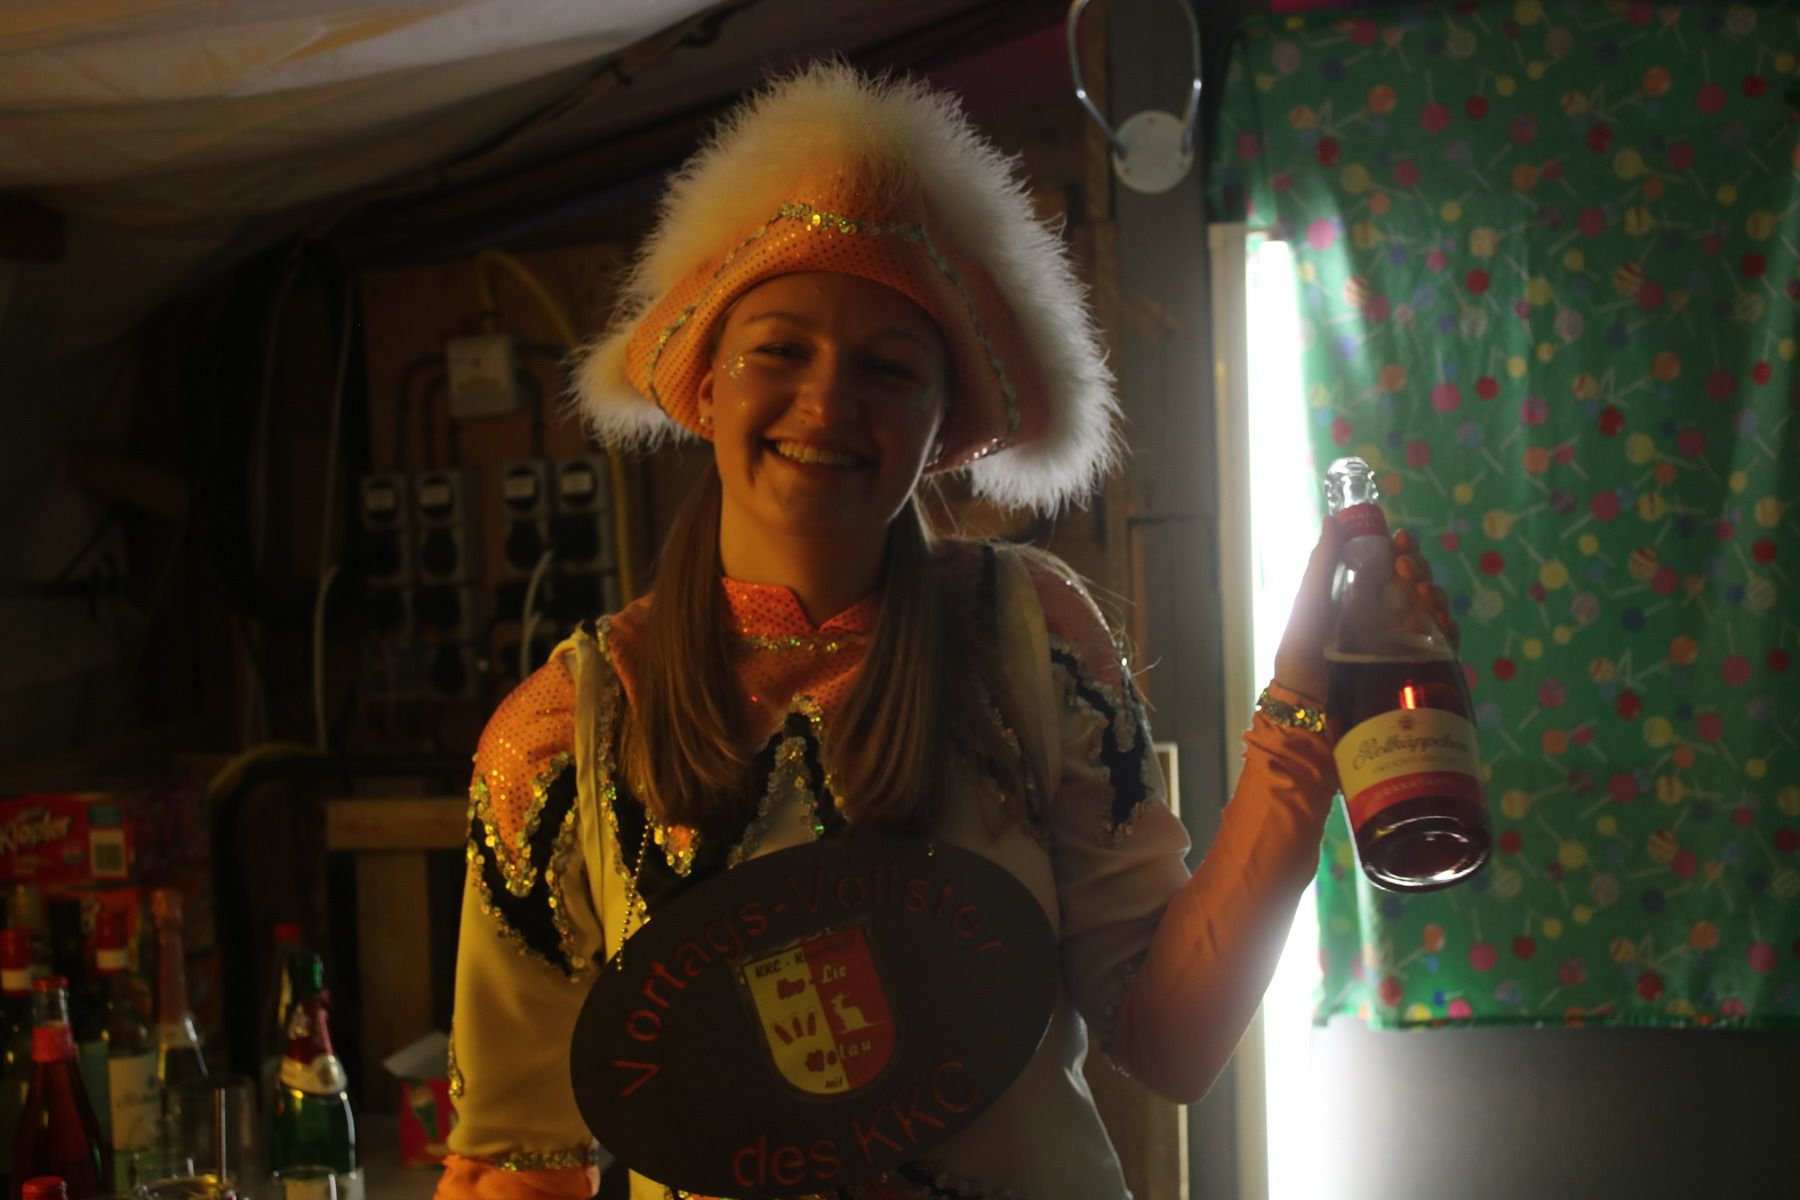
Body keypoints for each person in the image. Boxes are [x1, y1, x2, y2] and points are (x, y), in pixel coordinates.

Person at [435, 61, 1448, 1200]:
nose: (829, 402)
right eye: (780, 350)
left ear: (940, 426)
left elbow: (1167, 1044)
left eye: (888, 367)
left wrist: (1302, 723)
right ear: (707, 385)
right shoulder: (560, 736)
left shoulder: (1032, 637)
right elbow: (515, 1159)